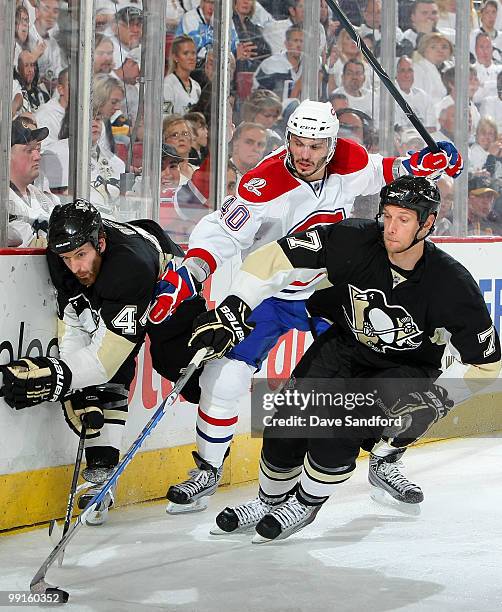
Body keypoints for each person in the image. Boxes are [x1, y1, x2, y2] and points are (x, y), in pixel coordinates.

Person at [146, 99, 463, 513]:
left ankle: (386, 457)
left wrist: (424, 162)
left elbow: (383, 172)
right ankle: (207, 470)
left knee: (388, 367)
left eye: (315, 146)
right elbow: (223, 232)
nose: (305, 154)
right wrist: (193, 270)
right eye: (298, 143)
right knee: (224, 378)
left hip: (331, 292)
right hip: (270, 294)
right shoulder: (265, 183)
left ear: (331, 144)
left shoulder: (348, 159)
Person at [188, 176, 500, 541]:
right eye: (387, 215)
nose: (391, 227)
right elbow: (275, 256)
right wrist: (236, 305)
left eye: (404, 218)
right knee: (285, 424)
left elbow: (489, 363)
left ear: (427, 223)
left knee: (337, 423)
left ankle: (305, 503)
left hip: (404, 368)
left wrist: (440, 398)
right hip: (345, 343)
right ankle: (269, 500)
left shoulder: (452, 285)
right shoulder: (353, 238)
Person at [1, 200, 207, 525]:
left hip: (165, 282)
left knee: (180, 368)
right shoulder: (64, 257)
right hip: (123, 274)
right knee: (100, 380)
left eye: (80, 256)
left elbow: (107, 359)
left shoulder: (128, 269)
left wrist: (60, 377)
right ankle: (102, 473)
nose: (75, 266)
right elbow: (73, 318)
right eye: (68, 258)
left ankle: (211, 464)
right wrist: (73, 378)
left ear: (100, 242)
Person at [8, 117, 59, 247]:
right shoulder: (4, 199)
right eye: (29, 150)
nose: (38, 156)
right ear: (6, 155)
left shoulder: (46, 197)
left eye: (37, 149)